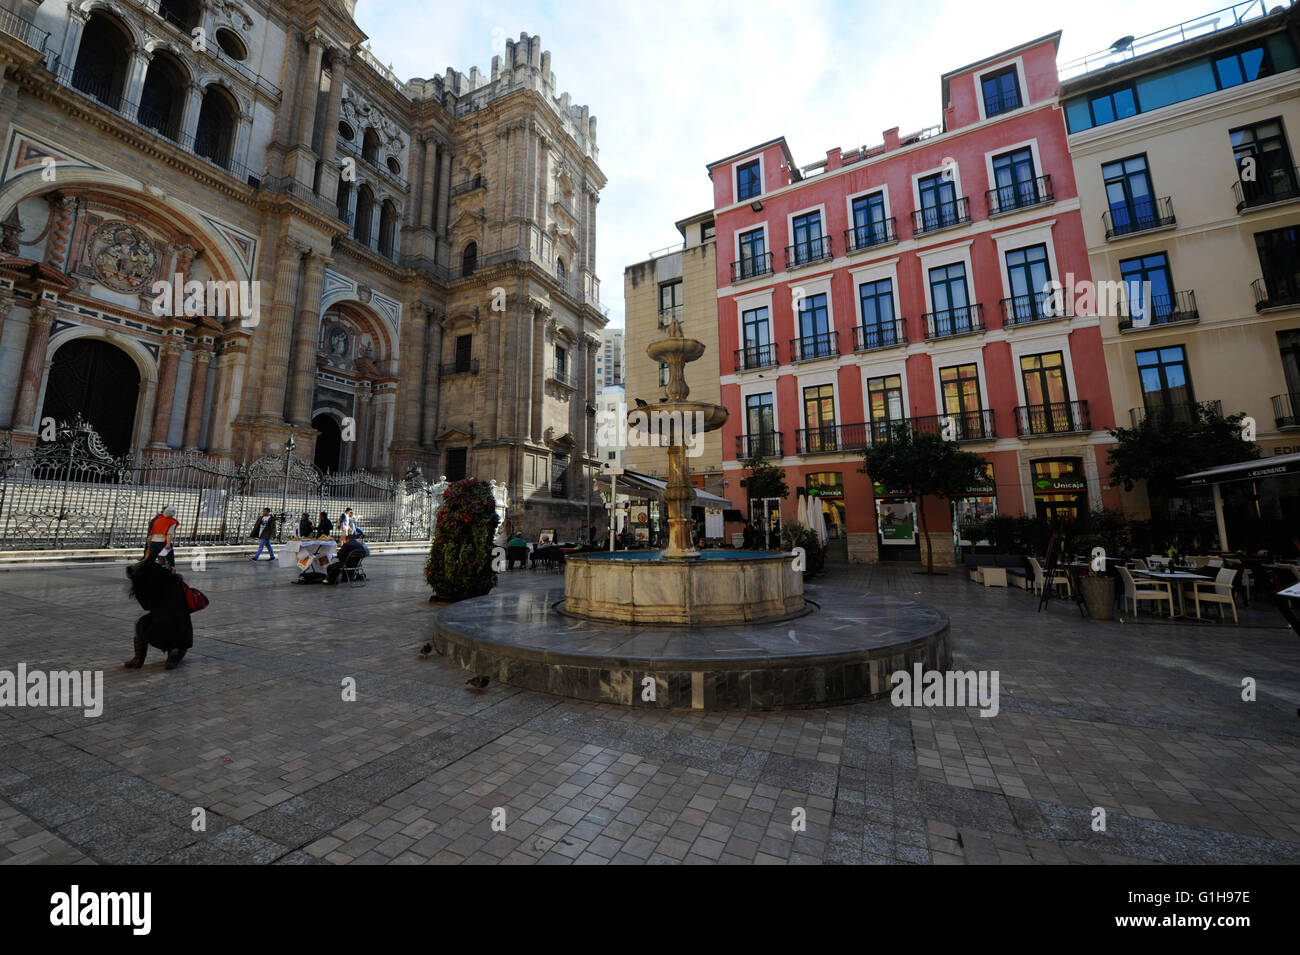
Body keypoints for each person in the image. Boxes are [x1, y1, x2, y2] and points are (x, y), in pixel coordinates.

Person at [124, 559, 193, 670]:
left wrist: (138, 589)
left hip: (163, 621)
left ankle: (138, 658)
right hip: (182, 622)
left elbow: (147, 607)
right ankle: (174, 653)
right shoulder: (174, 581)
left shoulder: (151, 587)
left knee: (140, 624)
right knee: (174, 633)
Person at [144, 505, 178, 570]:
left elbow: (152, 529)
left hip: (153, 541)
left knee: (151, 558)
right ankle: (171, 571)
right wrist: (168, 543)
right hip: (163, 541)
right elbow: (169, 534)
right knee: (169, 558)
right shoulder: (172, 521)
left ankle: (145, 571)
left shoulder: (158, 520)